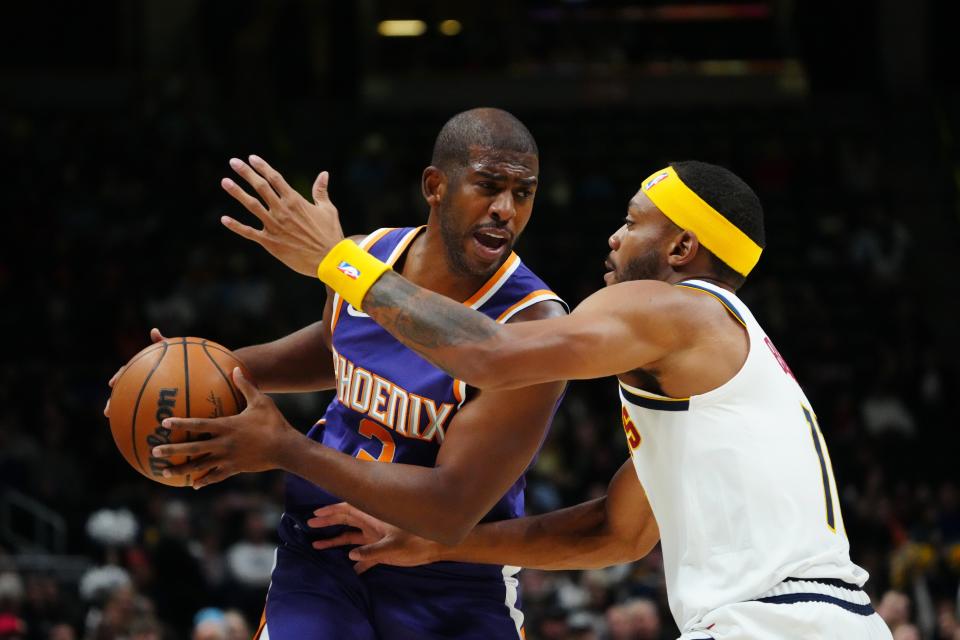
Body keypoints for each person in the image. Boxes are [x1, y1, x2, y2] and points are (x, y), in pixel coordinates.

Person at [156, 159, 894, 638]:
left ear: (681, 251)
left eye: (634, 220)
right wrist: (439, 542)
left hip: (772, 625)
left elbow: (491, 356)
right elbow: (615, 532)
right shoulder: (715, 368)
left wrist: (336, 260)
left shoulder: (675, 308)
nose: (612, 235)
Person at [109, 108, 568, 638]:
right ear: (436, 185)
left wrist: (285, 448)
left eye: (523, 193)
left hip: (450, 576)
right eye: (488, 186)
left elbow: (449, 509)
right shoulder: (371, 256)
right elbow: (338, 344)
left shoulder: (534, 323)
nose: (505, 210)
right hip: (324, 555)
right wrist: (203, 370)